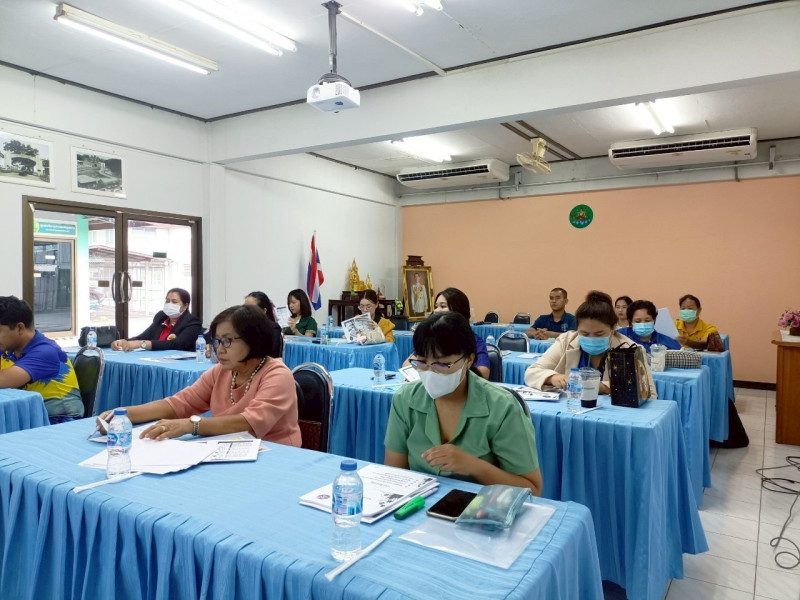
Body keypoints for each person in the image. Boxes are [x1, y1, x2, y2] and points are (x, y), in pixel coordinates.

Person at [384, 312, 542, 495]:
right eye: (422, 362)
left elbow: (532, 490)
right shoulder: (405, 399)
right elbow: (394, 474)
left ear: (469, 360)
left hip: (482, 506)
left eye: (442, 364)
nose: (430, 373)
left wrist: (473, 466)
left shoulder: (502, 407)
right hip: (419, 504)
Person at [98, 305, 301, 445]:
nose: (219, 349)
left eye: (227, 341)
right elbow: (178, 404)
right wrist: (123, 414)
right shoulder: (221, 372)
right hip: (228, 450)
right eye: (217, 341)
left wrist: (190, 425)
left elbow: (249, 424)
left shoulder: (277, 374)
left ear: (254, 340)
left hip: (276, 457)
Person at [525, 291, 657, 398]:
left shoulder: (631, 349)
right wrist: (553, 377)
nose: (592, 338)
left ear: (612, 329)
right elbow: (531, 372)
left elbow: (649, 394)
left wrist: (602, 387)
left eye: (599, 334)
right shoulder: (566, 341)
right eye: (585, 333)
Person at [0, 296, 83, 423]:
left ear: (20, 328)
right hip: (28, 416)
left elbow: (3, 381)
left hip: (58, 421)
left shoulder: (45, 351)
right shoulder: (8, 345)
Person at [403, 287, 490, 379]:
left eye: (443, 306)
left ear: (458, 310)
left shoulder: (474, 341)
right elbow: (407, 365)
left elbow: (483, 372)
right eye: (436, 307)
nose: (436, 310)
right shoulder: (430, 339)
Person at [111, 287, 203, 352]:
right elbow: (142, 337)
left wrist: (141, 344)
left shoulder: (192, 321)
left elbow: (177, 344)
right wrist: (123, 342)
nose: (169, 304)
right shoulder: (161, 317)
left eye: (174, 302)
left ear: (185, 306)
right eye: (167, 301)